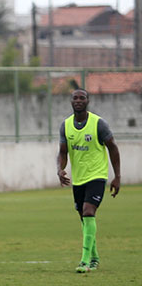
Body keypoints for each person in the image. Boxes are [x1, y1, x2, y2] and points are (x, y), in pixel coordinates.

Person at [57, 88, 121, 273]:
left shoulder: (98, 124)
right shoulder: (66, 125)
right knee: (84, 218)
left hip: (97, 176)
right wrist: (60, 169)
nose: (78, 100)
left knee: (88, 211)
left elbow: (113, 148)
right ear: (71, 102)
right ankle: (94, 257)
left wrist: (117, 176)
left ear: (88, 101)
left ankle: (85, 261)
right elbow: (62, 152)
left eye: (82, 98)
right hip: (78, 179)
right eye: (75, 98)